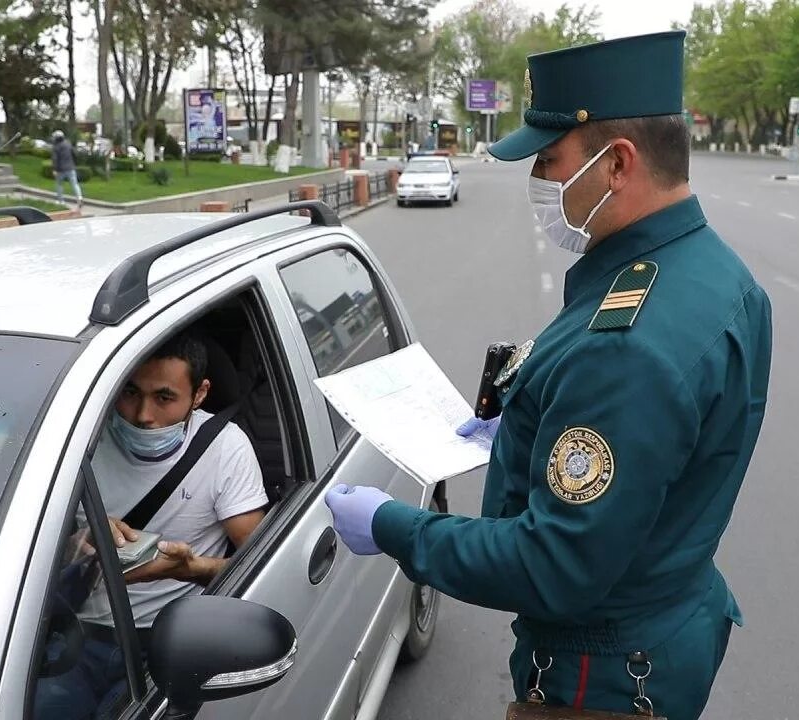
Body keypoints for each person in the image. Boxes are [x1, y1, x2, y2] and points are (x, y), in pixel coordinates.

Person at [323, 31, 773, 720]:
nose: (538, 180)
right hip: (664, 621)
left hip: (603, 675)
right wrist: (529, 422)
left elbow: (552, 564)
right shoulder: (712, 273)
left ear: (618, 162)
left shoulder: (626, 345)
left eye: (551, 160)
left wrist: (392, 527)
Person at [35, 332, 268, 720]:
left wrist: (190, 569)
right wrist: (79, 541)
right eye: (130, 392)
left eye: (164, 397)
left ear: (199, 394)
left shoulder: (225, 449)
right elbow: (28, 549)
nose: (143, 415)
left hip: (167, 644)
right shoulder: (80, 443)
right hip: (72, 635)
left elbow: (259, 567)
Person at [51, 130, 83, 208]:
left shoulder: (56, 147)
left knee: (59, 184)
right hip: (71, 167)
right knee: (75, 184)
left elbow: (55, 159)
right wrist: (74, 163)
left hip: (60, 169)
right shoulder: (68, 144)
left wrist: (54, 169)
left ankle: (60, 201)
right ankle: (79, 198)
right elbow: (75, 154)